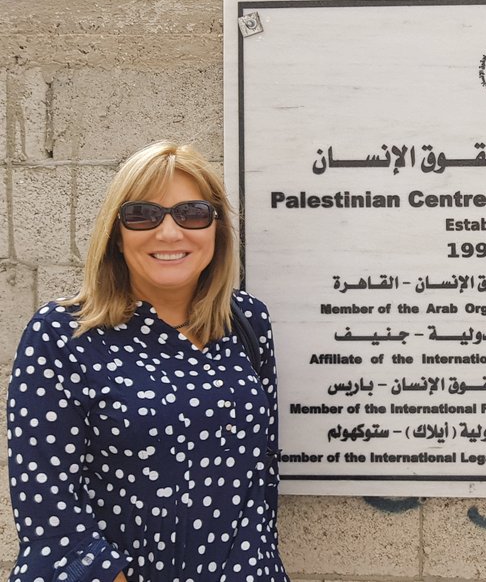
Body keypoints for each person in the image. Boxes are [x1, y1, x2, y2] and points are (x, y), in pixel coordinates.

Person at [7, 141, 289, 581]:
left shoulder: (247, 322)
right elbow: (46, 501)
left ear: (216, 228)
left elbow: (262, 472)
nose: (170, 233)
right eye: (143, 215)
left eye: (191, 213)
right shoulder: (62, 335)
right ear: (116, 234)